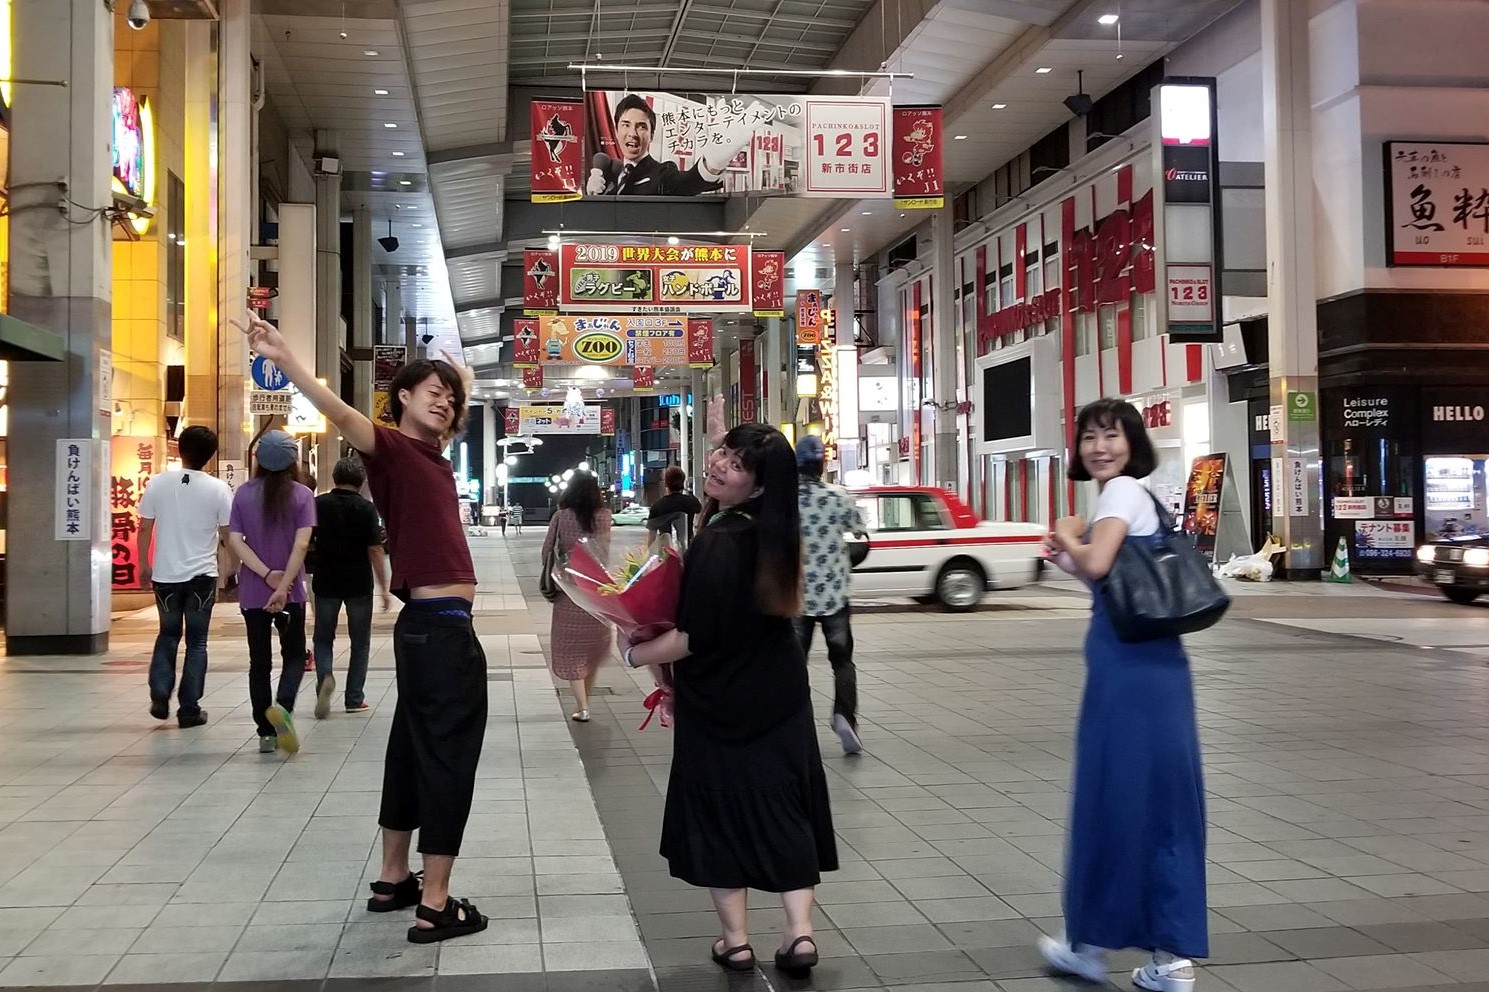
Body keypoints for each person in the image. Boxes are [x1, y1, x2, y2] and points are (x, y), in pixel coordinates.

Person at [235, 315, 489, 945]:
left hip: (430, 627)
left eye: (451, 397)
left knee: (409, 749)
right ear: (402, 396)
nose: (444, 400)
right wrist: (284, 357)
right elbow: (340, 414)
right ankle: (435, 903)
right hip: (441, 628)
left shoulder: (431, 459)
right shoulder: (393, 448)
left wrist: (462, 379)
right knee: (449, 757)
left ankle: (393, 878)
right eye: (432, 391)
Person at [623, 423, 837, 977]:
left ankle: (736, 942)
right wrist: (733, 444)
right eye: (722, 452)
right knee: (785, 808)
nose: (719, 463)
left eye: (736, 463)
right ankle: (800, 935)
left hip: (720, 702)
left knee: (718, 813)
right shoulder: (777, 531)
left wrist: (633, 652)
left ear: (758, 485)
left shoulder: (719, 543)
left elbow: (691, 639)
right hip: (780, 694)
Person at [1038, 398, 1207, 992]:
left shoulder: (1121, 492)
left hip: (1129, 678)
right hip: (1151, 673)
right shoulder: (1137, 498)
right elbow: (1109, 578)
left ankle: (1113, 950)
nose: (1099, 447)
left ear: (1133, 442)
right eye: (1089, 436)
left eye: (1111, 435)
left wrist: (1068, 533)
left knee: (1119, 803)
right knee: (1150, 806)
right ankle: (1135, 951)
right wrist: (1071, 556)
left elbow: (1099, 560)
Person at [138, 425, 234, 729]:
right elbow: (228, 533)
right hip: (202, 576)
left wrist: (143, 563)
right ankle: (189, 709)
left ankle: (160, 691)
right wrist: (231, 568)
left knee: (167, 634)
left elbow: (144, 526)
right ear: (211, 455)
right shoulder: (218, 488)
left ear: (179, 449)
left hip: (165, 575)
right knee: (197, 641)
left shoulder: (157, 483)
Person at [227, 430, 316, 756]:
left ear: (257, 459)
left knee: (259, 663)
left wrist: (266, 575)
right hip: (291, 593)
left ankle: (265, 733)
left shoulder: (243, 494)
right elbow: (301, 545)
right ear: (294, 461)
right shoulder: (303, 495)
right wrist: (283, 585)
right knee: (294, 655)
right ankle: (284, 707)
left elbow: (235, 541)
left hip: (253, 593)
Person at [791, 436, 868, 755]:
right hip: (835, 594)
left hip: (797, 596)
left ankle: (795, 726)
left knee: (794, 665)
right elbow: (860, 532)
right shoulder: (839, 496)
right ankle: (844, 716)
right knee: (842, 661)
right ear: (822, 465)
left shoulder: (786, 500)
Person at [311, 456, 392, 717]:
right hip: (358, 582)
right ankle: (354, 698)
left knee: (323, 637)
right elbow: (375, 550)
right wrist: (384, 588)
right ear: (361, 480)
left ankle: (325, 677)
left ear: (334, 477)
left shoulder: (318, 504)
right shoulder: (366, 508)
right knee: (360, 641)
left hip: (326, 579)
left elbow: (305, 541)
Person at [542, 474, 614, 722]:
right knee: (591, 653)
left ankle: (582, 707)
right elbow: (605, 552)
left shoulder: (562, 516)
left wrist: (558, 570)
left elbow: (547, 550)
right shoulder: (604, 516)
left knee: (572, 653)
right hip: (597, 592)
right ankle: (585, 703)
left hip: (569, 591)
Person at [585, 94, 734, 197]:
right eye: (626, 125)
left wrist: (714, 162)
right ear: (616, 131)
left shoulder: (662, 174)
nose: (632, 133)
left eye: (641, 127)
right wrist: (591, 195)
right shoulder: (612, 173)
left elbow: (687, 182)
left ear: (651, 135)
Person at [645, 465, 703, 551]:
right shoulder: (692, 501)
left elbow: (652, 538)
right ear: (682, 482)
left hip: (666, 553)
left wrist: (645, 553)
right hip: (688, 550)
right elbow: (701, 521)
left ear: (666, 483)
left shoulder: (657, 506)